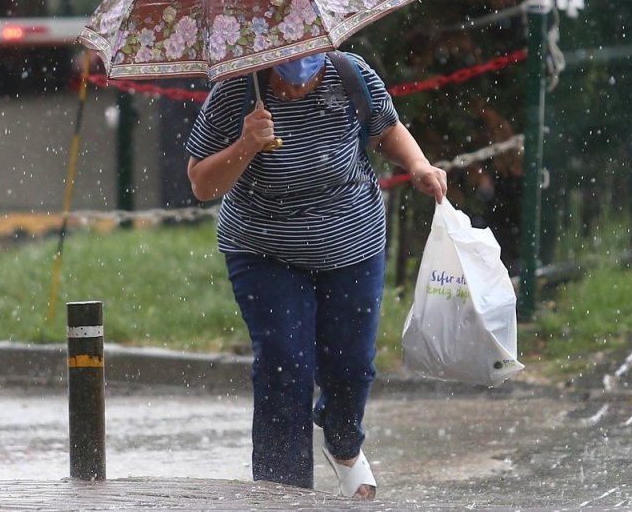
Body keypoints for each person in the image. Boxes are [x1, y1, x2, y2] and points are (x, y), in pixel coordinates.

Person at [186, 50, 446, 500]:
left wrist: (418, 165)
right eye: (288, 55)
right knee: (285, 364)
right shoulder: (236, 90)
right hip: (264, 249)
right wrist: (247, 142)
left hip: (352, 243)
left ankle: (344, 442)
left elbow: (386, 130)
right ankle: (282, 492)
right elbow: (202, 184)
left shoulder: (349, 73)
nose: (300, 66)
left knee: (352, 366)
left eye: (310, 54)